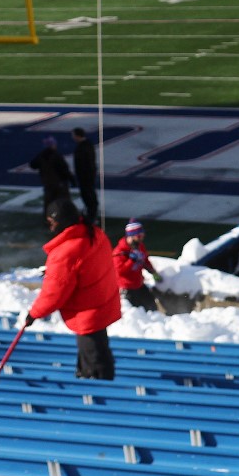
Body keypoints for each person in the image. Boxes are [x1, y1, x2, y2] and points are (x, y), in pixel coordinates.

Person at [24, 198, 121, 381]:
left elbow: (54, 293)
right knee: (98, 352)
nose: (50, 228)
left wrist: (34, 314)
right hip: (101, 304)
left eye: (52, 223)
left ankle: (98, 393)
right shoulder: (95, 234)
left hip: (87, 314)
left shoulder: (65, 253)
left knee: (95, 362)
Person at [114, 219, 161, 311]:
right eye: (139, 236)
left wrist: (153, 271)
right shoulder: (120, 252)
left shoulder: (140, 246)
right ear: (131, 236)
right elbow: (119, 271)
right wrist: (131, 261)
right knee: (134, 312)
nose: (141, 239)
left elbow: (145, 260)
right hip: (127, 288)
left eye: (142, 236)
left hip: (139, 284)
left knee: (152, 309)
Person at [29, 135, 74, 209]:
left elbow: (32, 165)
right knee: (64, 201)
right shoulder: (57, 156)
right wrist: (72, 180)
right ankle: (66, 217)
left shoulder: (41, 156)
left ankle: (49, 218)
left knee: (49, 202)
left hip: (48, 183)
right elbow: (65, 170)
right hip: (60, 183)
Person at [70, 126, 99, 221]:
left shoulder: (82, 147)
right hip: (87, 175)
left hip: (85, 176)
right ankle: (92, 212)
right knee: (89, 194)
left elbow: (85, 163)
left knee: (88, 195)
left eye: (73, 135)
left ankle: (92, 214)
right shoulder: (88, 145)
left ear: (77, 136)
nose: (72, 137)